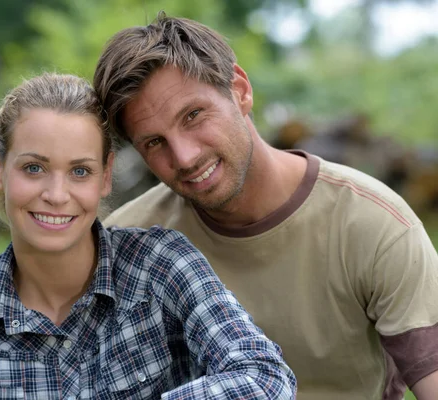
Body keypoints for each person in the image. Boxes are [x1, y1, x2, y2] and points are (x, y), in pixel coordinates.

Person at [94, 13, 438, 400]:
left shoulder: (373, 224)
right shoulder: (130, 242)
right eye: (155, 142)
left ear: (240, 90)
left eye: (193, 116)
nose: (185, 156)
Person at [0, 73, 296, 399]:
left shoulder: (160, 266)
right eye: (33, 168)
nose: (57, 195)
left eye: (80, 171)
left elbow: (265, 376)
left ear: (106, 175)